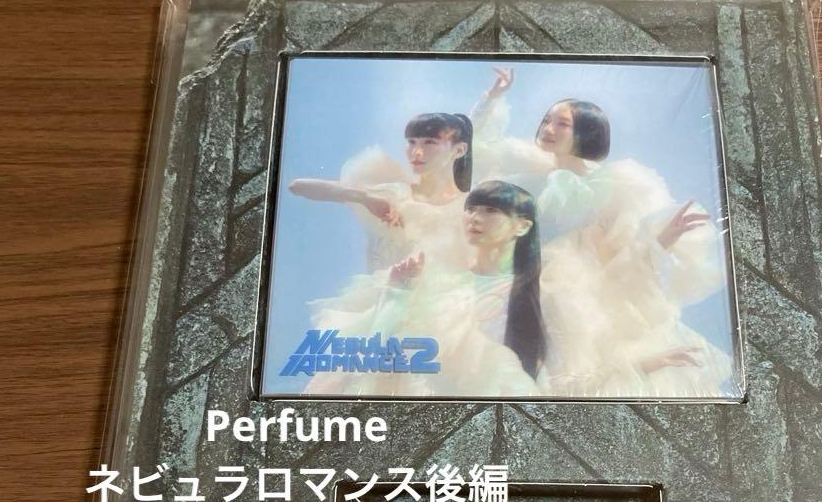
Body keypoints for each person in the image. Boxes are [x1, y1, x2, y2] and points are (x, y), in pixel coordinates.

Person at [471, 67, 735, 397]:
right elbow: (475, 151)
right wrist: (493, 98)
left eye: (562, 124)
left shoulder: (614, 185)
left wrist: (666, 236)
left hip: (580, 294)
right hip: (524, 284)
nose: (548, 129)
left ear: (587, 132)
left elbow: (622, 255)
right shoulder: (530, 167)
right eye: (547, 120)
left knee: (579, 376)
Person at [302, 181, 544, 399]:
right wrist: (397, 293)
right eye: (471, 209)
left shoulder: (541, 290)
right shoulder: (437, 279)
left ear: (522, 226)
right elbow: (377, 352)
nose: (475, 218)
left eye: (491, 210)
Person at [287, 111, 473, 275]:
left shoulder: (469, 208)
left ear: (460, 150)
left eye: (429, 142)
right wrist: (365, 198)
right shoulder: (395, 194)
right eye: (411, 142)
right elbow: (298, 186)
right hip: (383, 297)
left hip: (445, 300)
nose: (416, 152)